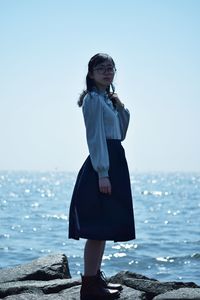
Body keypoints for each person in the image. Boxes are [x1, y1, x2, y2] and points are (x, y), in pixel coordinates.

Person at [68, 53, 135, 300]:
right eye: (101, 68)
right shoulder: (93, 100)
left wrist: (121, 106)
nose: (107, 72)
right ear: (91, 73)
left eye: (111, 68)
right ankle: (89, 286)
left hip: (115, 159)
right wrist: (103, 174)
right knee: (96, 229)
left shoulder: (107, 99)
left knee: (104, 227)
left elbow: (122, 133)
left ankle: (96, 280)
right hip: (103, 165)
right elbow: (95, 138)